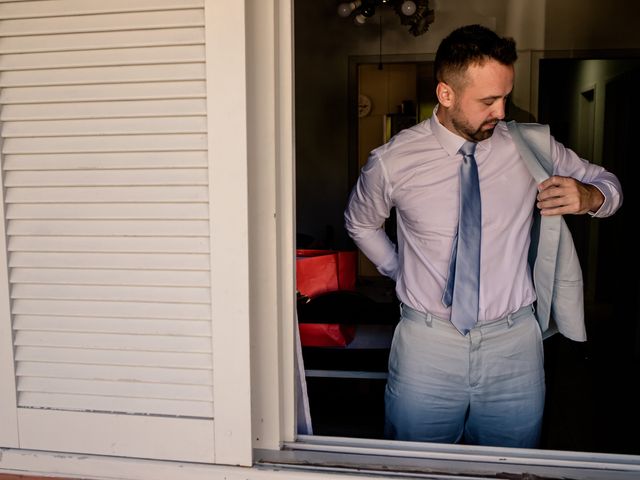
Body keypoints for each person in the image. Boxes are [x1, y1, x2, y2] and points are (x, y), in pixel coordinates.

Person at [344, 24, 622, 448]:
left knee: (511, 467)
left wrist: (590, 196)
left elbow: (609, 184)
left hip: (514, 346)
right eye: (488, 101)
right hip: (427, 346)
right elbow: (360, 222)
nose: (501, 112)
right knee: (416, 466)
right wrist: (399, 268)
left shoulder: (530, 146)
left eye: (505, 97)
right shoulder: (392, 162)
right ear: (446, 94)